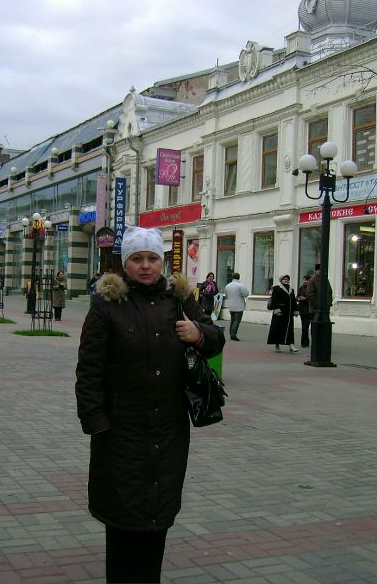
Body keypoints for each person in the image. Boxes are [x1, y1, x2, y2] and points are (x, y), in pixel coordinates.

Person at [75, 226, 225, 584]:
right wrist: (96, 423)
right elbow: (89, 370)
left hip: (169, 429)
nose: (146, 266)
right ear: (125, 263)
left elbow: (215, 340)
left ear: (162, 261)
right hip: (120, 431)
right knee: (122, 518)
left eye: (153, 258)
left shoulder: (180, 301)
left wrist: (199, 334)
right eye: (137, 259)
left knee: (158, 514)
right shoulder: (106, 306)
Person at [266, 274, 299, 353]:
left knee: (289, 329)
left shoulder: (291, 290)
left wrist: (295, 310)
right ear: (281, 280)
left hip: (289, 313)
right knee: (278, 328)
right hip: (279, 313)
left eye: (287, 279)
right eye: (284, 279)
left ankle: (291, 345)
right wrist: (277, 310)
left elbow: (293, 301)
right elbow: (275, 300)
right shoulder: (277, 288)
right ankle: (277, 345)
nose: (286, 280)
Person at [305, 263, 333, 345]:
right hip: (315, 309)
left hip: (325, 308)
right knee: (315, 326)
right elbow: (309, 294)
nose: (321, 271)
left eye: (322, 270)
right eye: (319, 270)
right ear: (316, 270)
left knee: (324, 326)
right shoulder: (312, 280)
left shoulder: (325, 279)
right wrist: (317, 305)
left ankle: (323, 342)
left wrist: (329, 303)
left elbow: (330, 292)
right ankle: (315, 342)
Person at [223, 272, 249, 341]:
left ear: (232, 277)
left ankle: (231, 333)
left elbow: (226, 295)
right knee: (237, 321)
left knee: (232, 320)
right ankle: (233, 335)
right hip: (239, 306)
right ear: (239, 277)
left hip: (231, 305)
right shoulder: (240, 285)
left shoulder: (228, 285)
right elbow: (246, 294)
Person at [296, 274, 311, 348]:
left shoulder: (310, 288)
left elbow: (312, 298)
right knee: (303, 326)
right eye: (304, 280)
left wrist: (305, 299)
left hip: (308, 310)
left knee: (305, 326)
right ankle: (305, 342)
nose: (304, 281)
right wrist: (298, 298)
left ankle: (304, 342)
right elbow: (297, 296)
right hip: (302, 309)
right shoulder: (301, 287)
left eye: (306, 280)